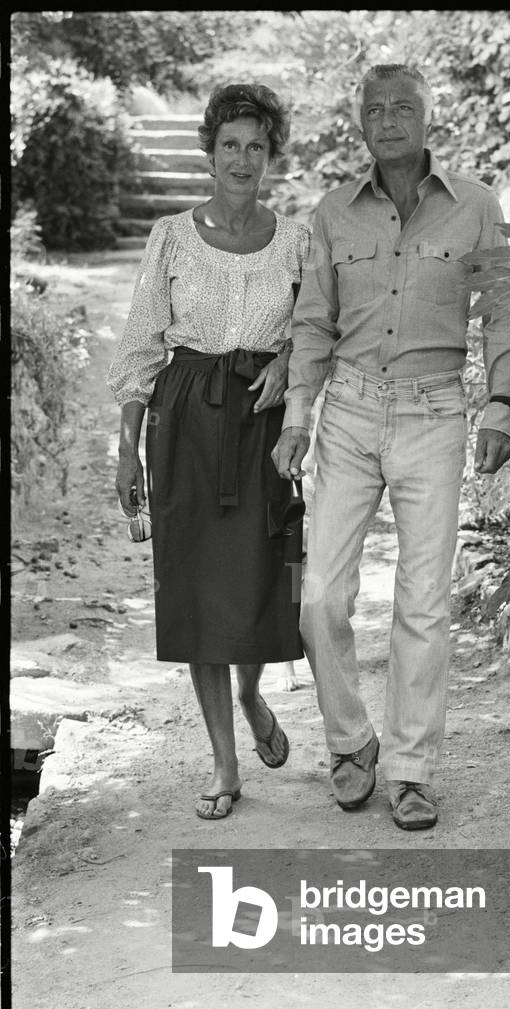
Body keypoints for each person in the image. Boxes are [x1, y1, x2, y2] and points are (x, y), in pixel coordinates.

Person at [273, 64, 510, 831]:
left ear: (427, 118)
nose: (388, 120)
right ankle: (352, 741)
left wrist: (501, 407)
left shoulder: (476, 207)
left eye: (402, 107)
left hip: (434, 412)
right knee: (319, 597)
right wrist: (296, 416)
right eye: (375, 109)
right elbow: (312, 322)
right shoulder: (332, 213)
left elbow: (505, 310)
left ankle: (411, 769)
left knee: (423, 602)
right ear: (361, 124)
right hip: (347, 411)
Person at [108, 83, 310, 821]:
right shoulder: (170, 236)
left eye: (256, 146)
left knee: (261, 580)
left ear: (270, 155)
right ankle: (225, 762)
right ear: (210, 151)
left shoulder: (296, 240)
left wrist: (287, 358)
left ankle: (252, 693)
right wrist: (127, 449)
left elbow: (319, 326)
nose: (242, 159)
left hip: (263, 423)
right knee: (197, 593)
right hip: (186, 422)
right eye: (230, 145)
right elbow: (141, 345)